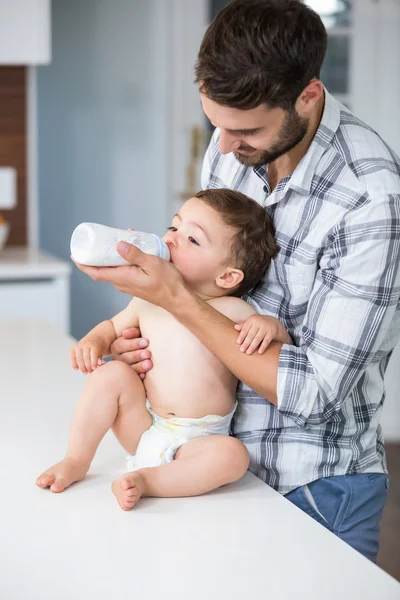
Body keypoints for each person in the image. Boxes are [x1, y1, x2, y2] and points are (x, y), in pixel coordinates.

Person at [73, 0, 400, 561]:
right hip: (210, 470)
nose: (222, 149)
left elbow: (313, 394)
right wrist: (151, 334)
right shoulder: (231, 147)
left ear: (309, 96)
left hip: (313, 488)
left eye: (245, 130)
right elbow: (213, 292)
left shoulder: (373, 199)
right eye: (215, 123)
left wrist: (178, 303)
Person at [36, 189, 289, 510]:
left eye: (192, 240)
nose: (172, 238)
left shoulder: (232, 311)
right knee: (112, 373)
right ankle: (76, 458)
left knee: (233, 457)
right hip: (145, 426)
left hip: (199, 442)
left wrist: (269, 327)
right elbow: (112, 328)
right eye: (174, 227)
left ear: (227, 276)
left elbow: (281, 352)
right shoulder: (147, 299)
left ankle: (149, 481)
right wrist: (94, 341)